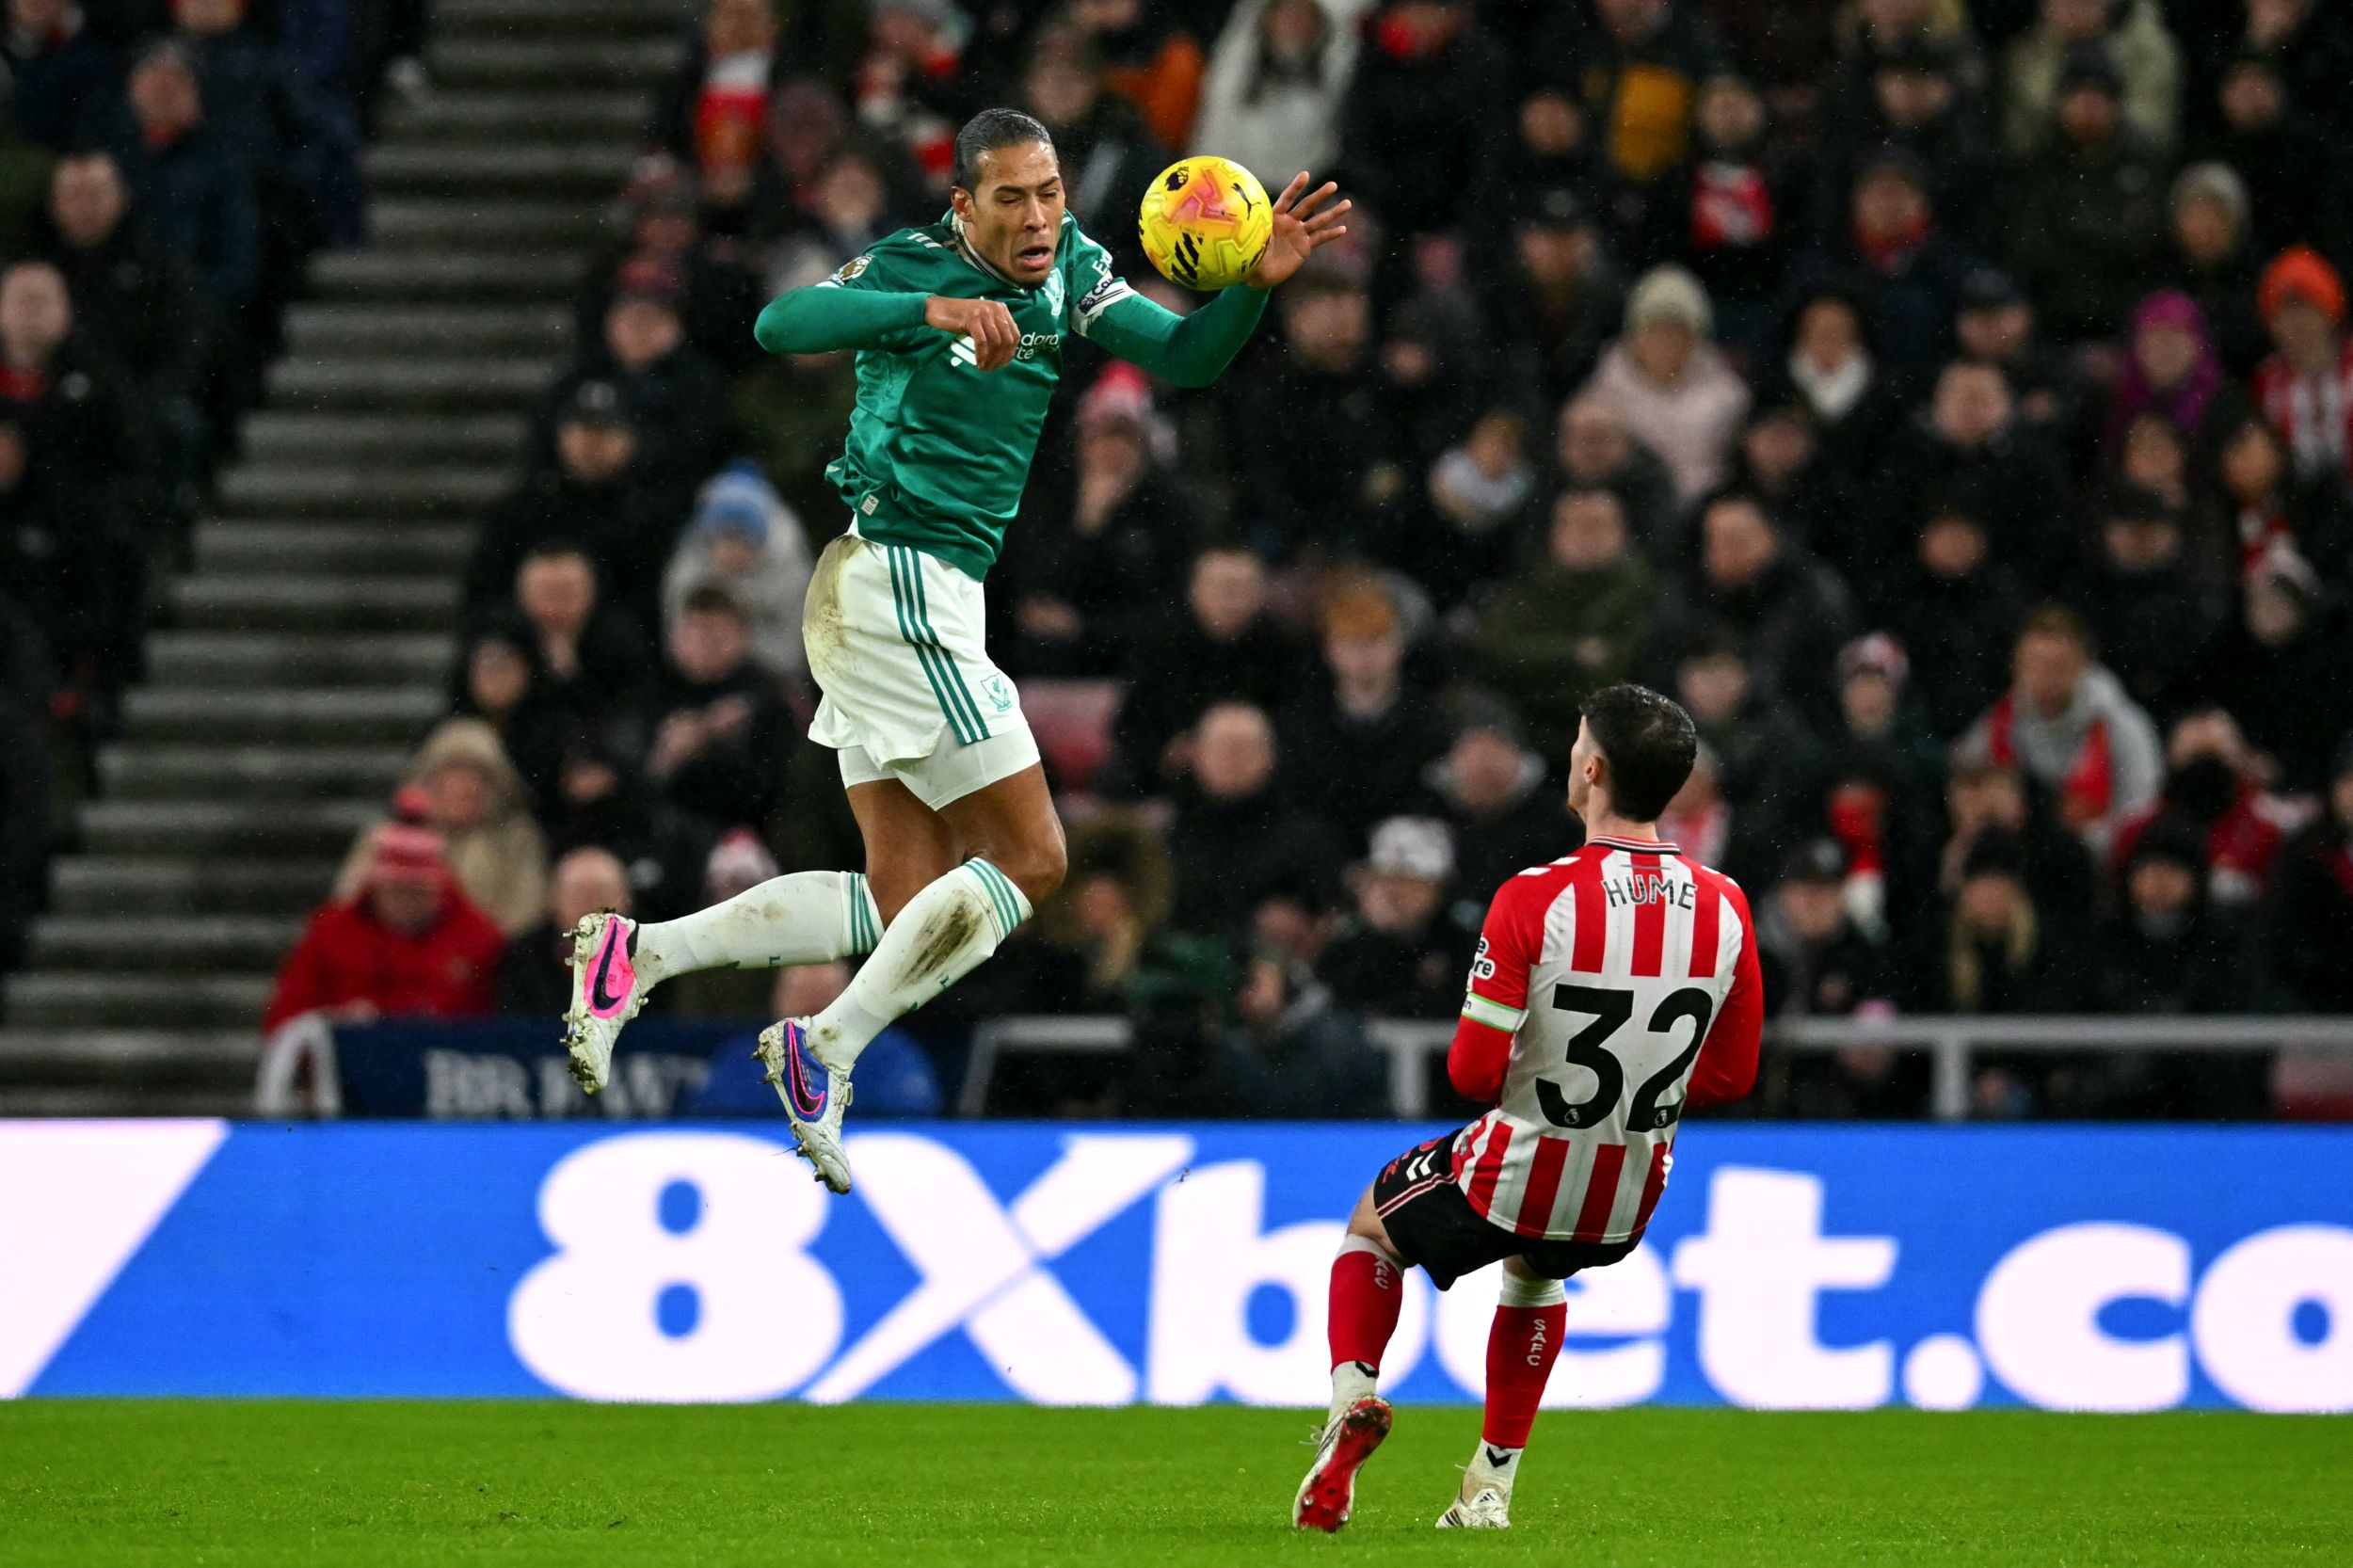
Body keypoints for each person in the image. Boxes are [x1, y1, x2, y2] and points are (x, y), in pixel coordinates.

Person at [561, 108, 1350, 1193]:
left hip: (919, 594)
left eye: (1051, 191)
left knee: (905, 902)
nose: (1038, 217)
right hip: (898, 581)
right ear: (963, 205)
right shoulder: (913, 265)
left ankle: (636, 956)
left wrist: (1253, 282)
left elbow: (1185, 357)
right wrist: (924, 308)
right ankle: (825, 1044)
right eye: (1013, 198)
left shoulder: (1072, 267)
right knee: (1034, 861)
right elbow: (781, 324)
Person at [1292, 683, 1759, 1532]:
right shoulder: (1727, 905)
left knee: (1372, 1228)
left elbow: (1472, 1072)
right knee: (1538, 1271)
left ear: (1591, 770)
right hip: (1625, 1194)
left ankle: (1350, 1404)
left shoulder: (1535, 896)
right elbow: (1731, 1079)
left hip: (1518, 1165)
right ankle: (1489, 1488)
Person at [1954, 605, 2164, 856]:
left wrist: (2075, 848)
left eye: (2058, 666)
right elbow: (1962, 780)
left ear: (2083, 666)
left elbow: (2140, 816)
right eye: (2034, 664)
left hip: (2101, 858)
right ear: (2016, 666)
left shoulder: (2123, 728)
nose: (2045, 677)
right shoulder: (1998, 725)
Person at [264, 822, 504, 1032]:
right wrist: (335, 1023)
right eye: (397, 890)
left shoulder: (479, 938)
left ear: (440, 889)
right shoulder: (331, 932)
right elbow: (286, 1018)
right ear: (376, 888)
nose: (407, 902)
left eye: (418, 891)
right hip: (350, 1075)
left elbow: (503, 1022)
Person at [496, 846, 634, 1016]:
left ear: (627, 900)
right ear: (553, 900)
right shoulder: (523, 961)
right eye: (578, 894)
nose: (590, 906)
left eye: (601, 892)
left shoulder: (655, 957)